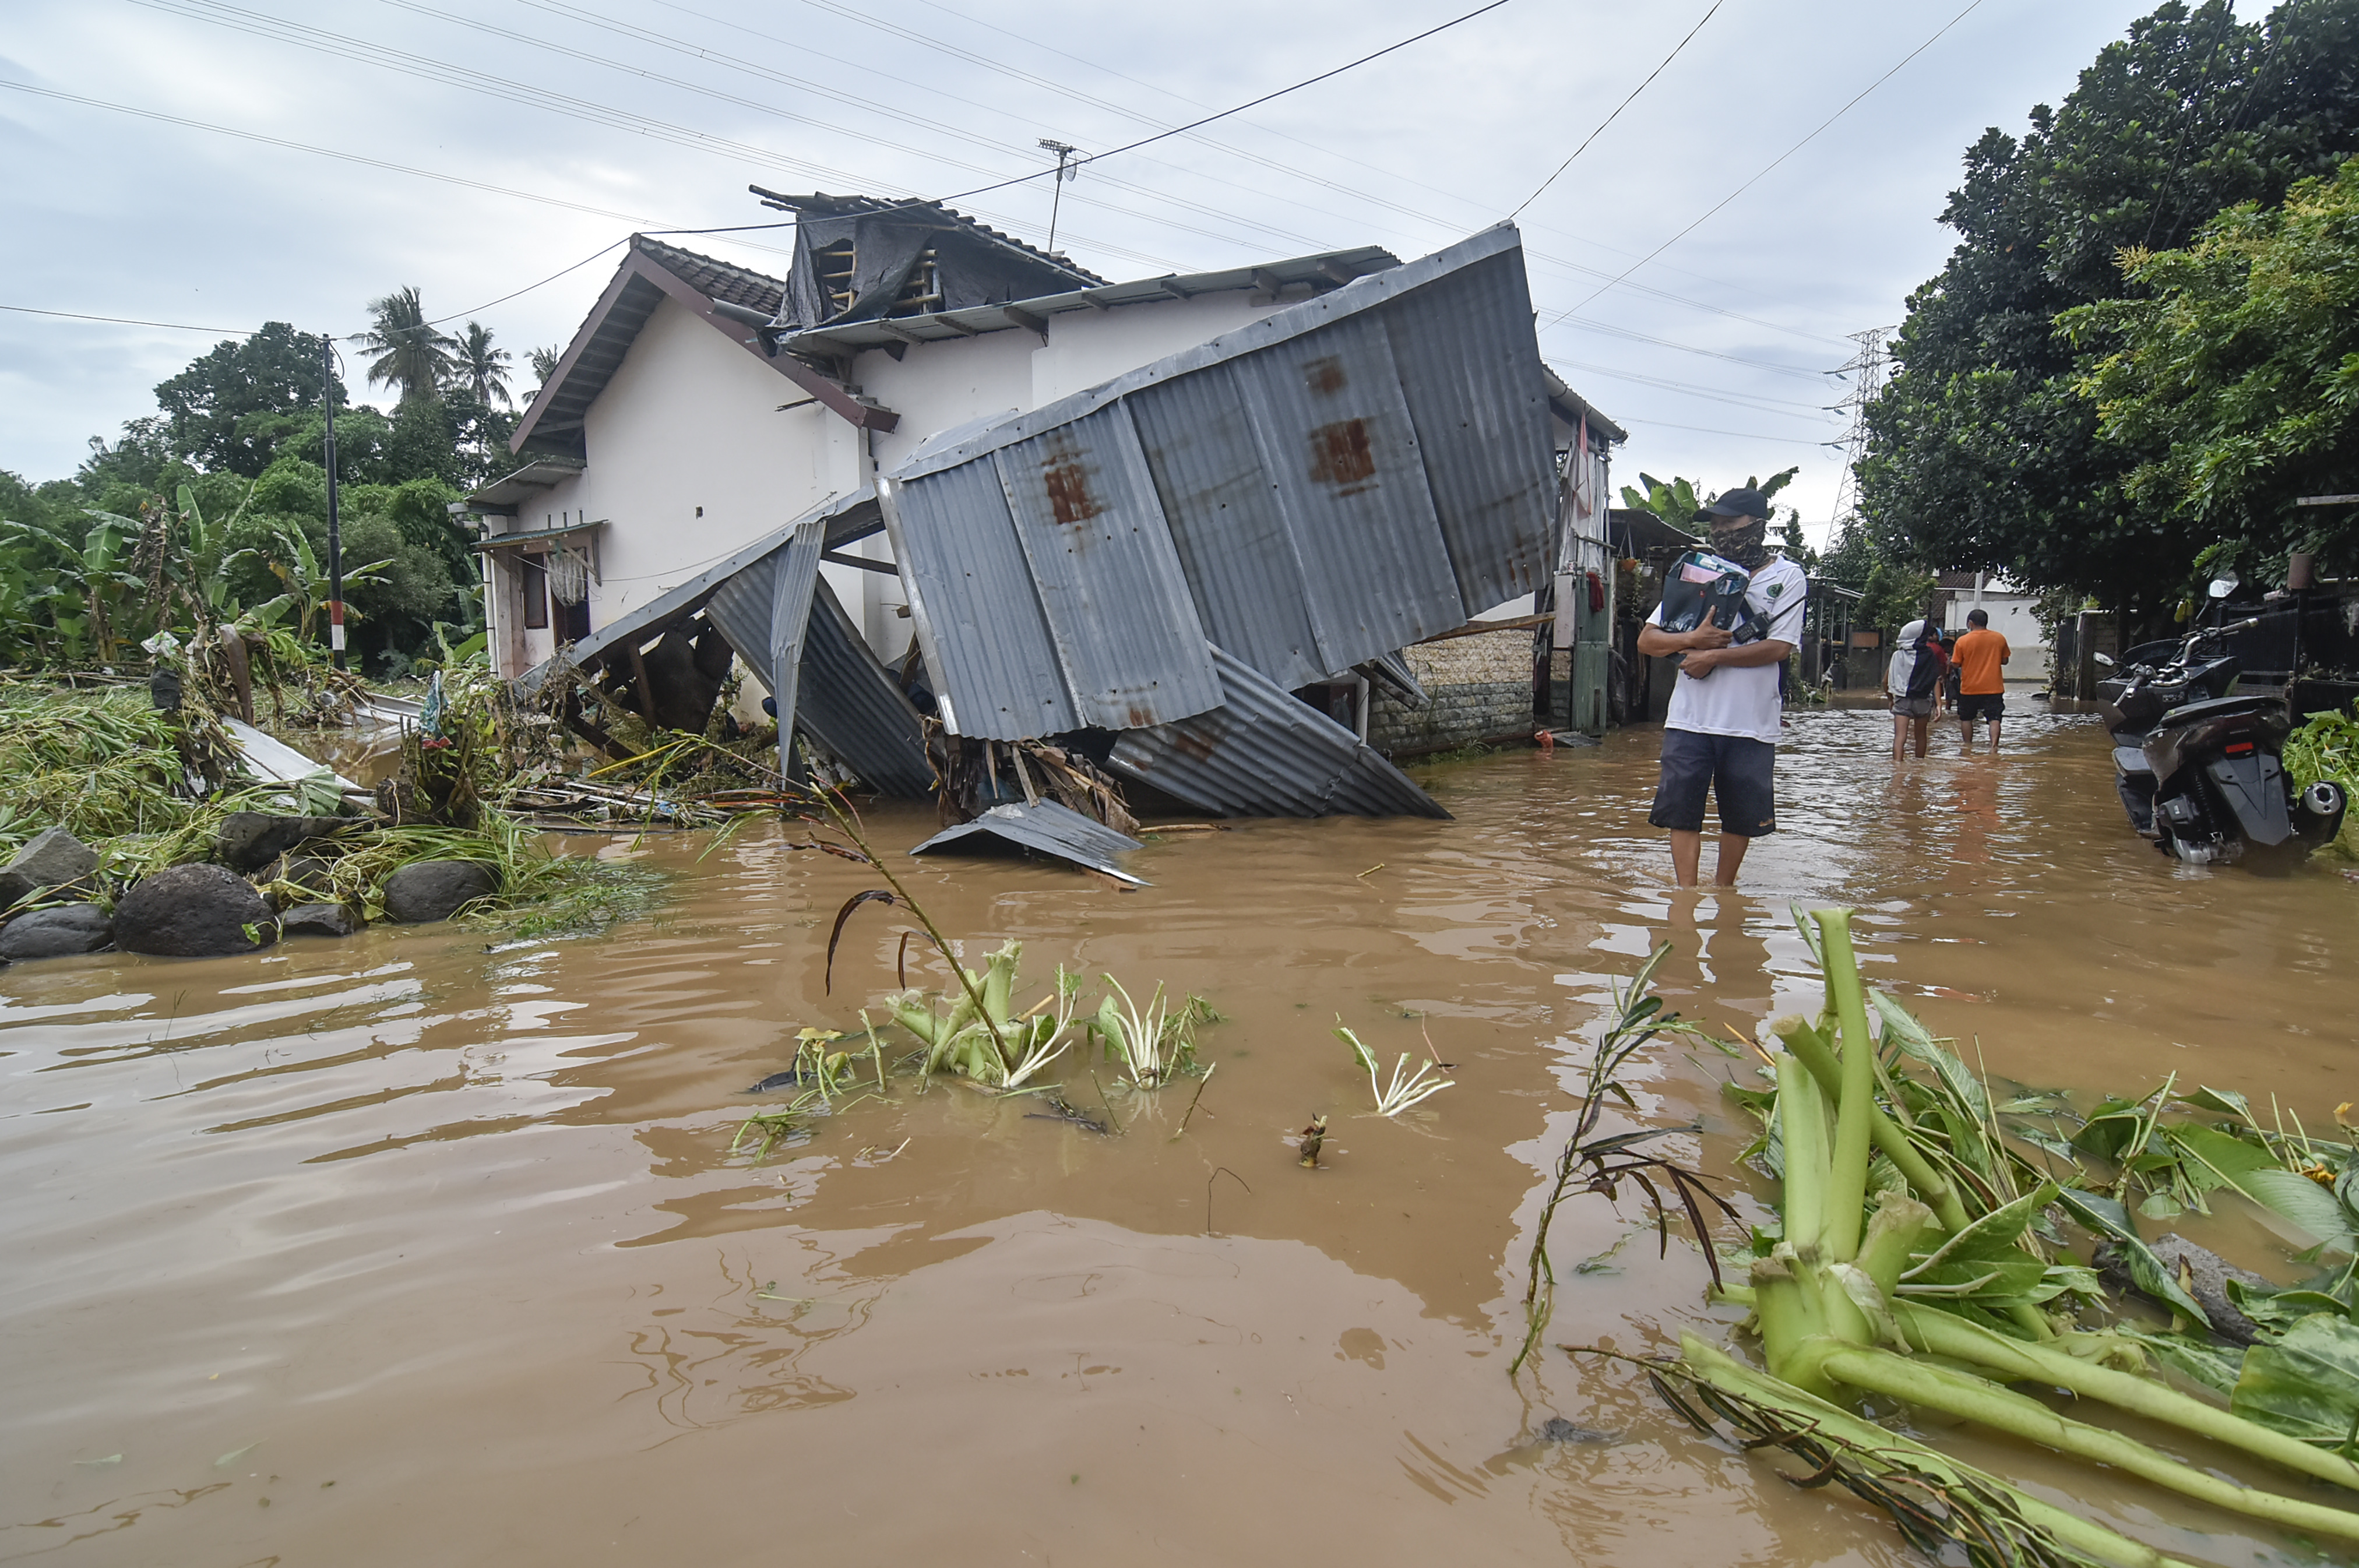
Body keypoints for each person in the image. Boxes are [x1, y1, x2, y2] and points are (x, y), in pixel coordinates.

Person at [1635, 487, 1809, 888]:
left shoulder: (1788, 577)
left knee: (1741, 816)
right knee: (1681, 813)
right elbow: (1648, 641)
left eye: (1730, 524)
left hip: (1750, 723)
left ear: (1758, 527)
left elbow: (1780, 647)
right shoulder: (1697, 572)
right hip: (1689, 720)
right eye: (1715, 526)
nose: (1721, 533)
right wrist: (1692, 641)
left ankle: (1724, 890)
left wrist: (1714, 657)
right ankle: (1686, 896)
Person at [1885, 618, 1945, 763]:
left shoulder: (1897, 655)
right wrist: (1939, 704)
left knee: (1900, 737)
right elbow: (1935, 679)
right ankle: (1919, 765)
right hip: (1923, 700)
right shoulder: (1929, 655)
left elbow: (1885, 681)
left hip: (1902, 699)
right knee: (1921, 736)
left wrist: (1890, 699)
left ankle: (1898, 767)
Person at [1952, 607, 2011, 750]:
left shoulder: (1962, 641)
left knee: (1966, 718)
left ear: (1970, 623)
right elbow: (2005, 661)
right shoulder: (1999, 638)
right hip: (1994, 687)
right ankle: (1994, 747)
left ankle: (1967, 747)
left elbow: (1956, 663)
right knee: (1995, 718)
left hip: (1969, 688)